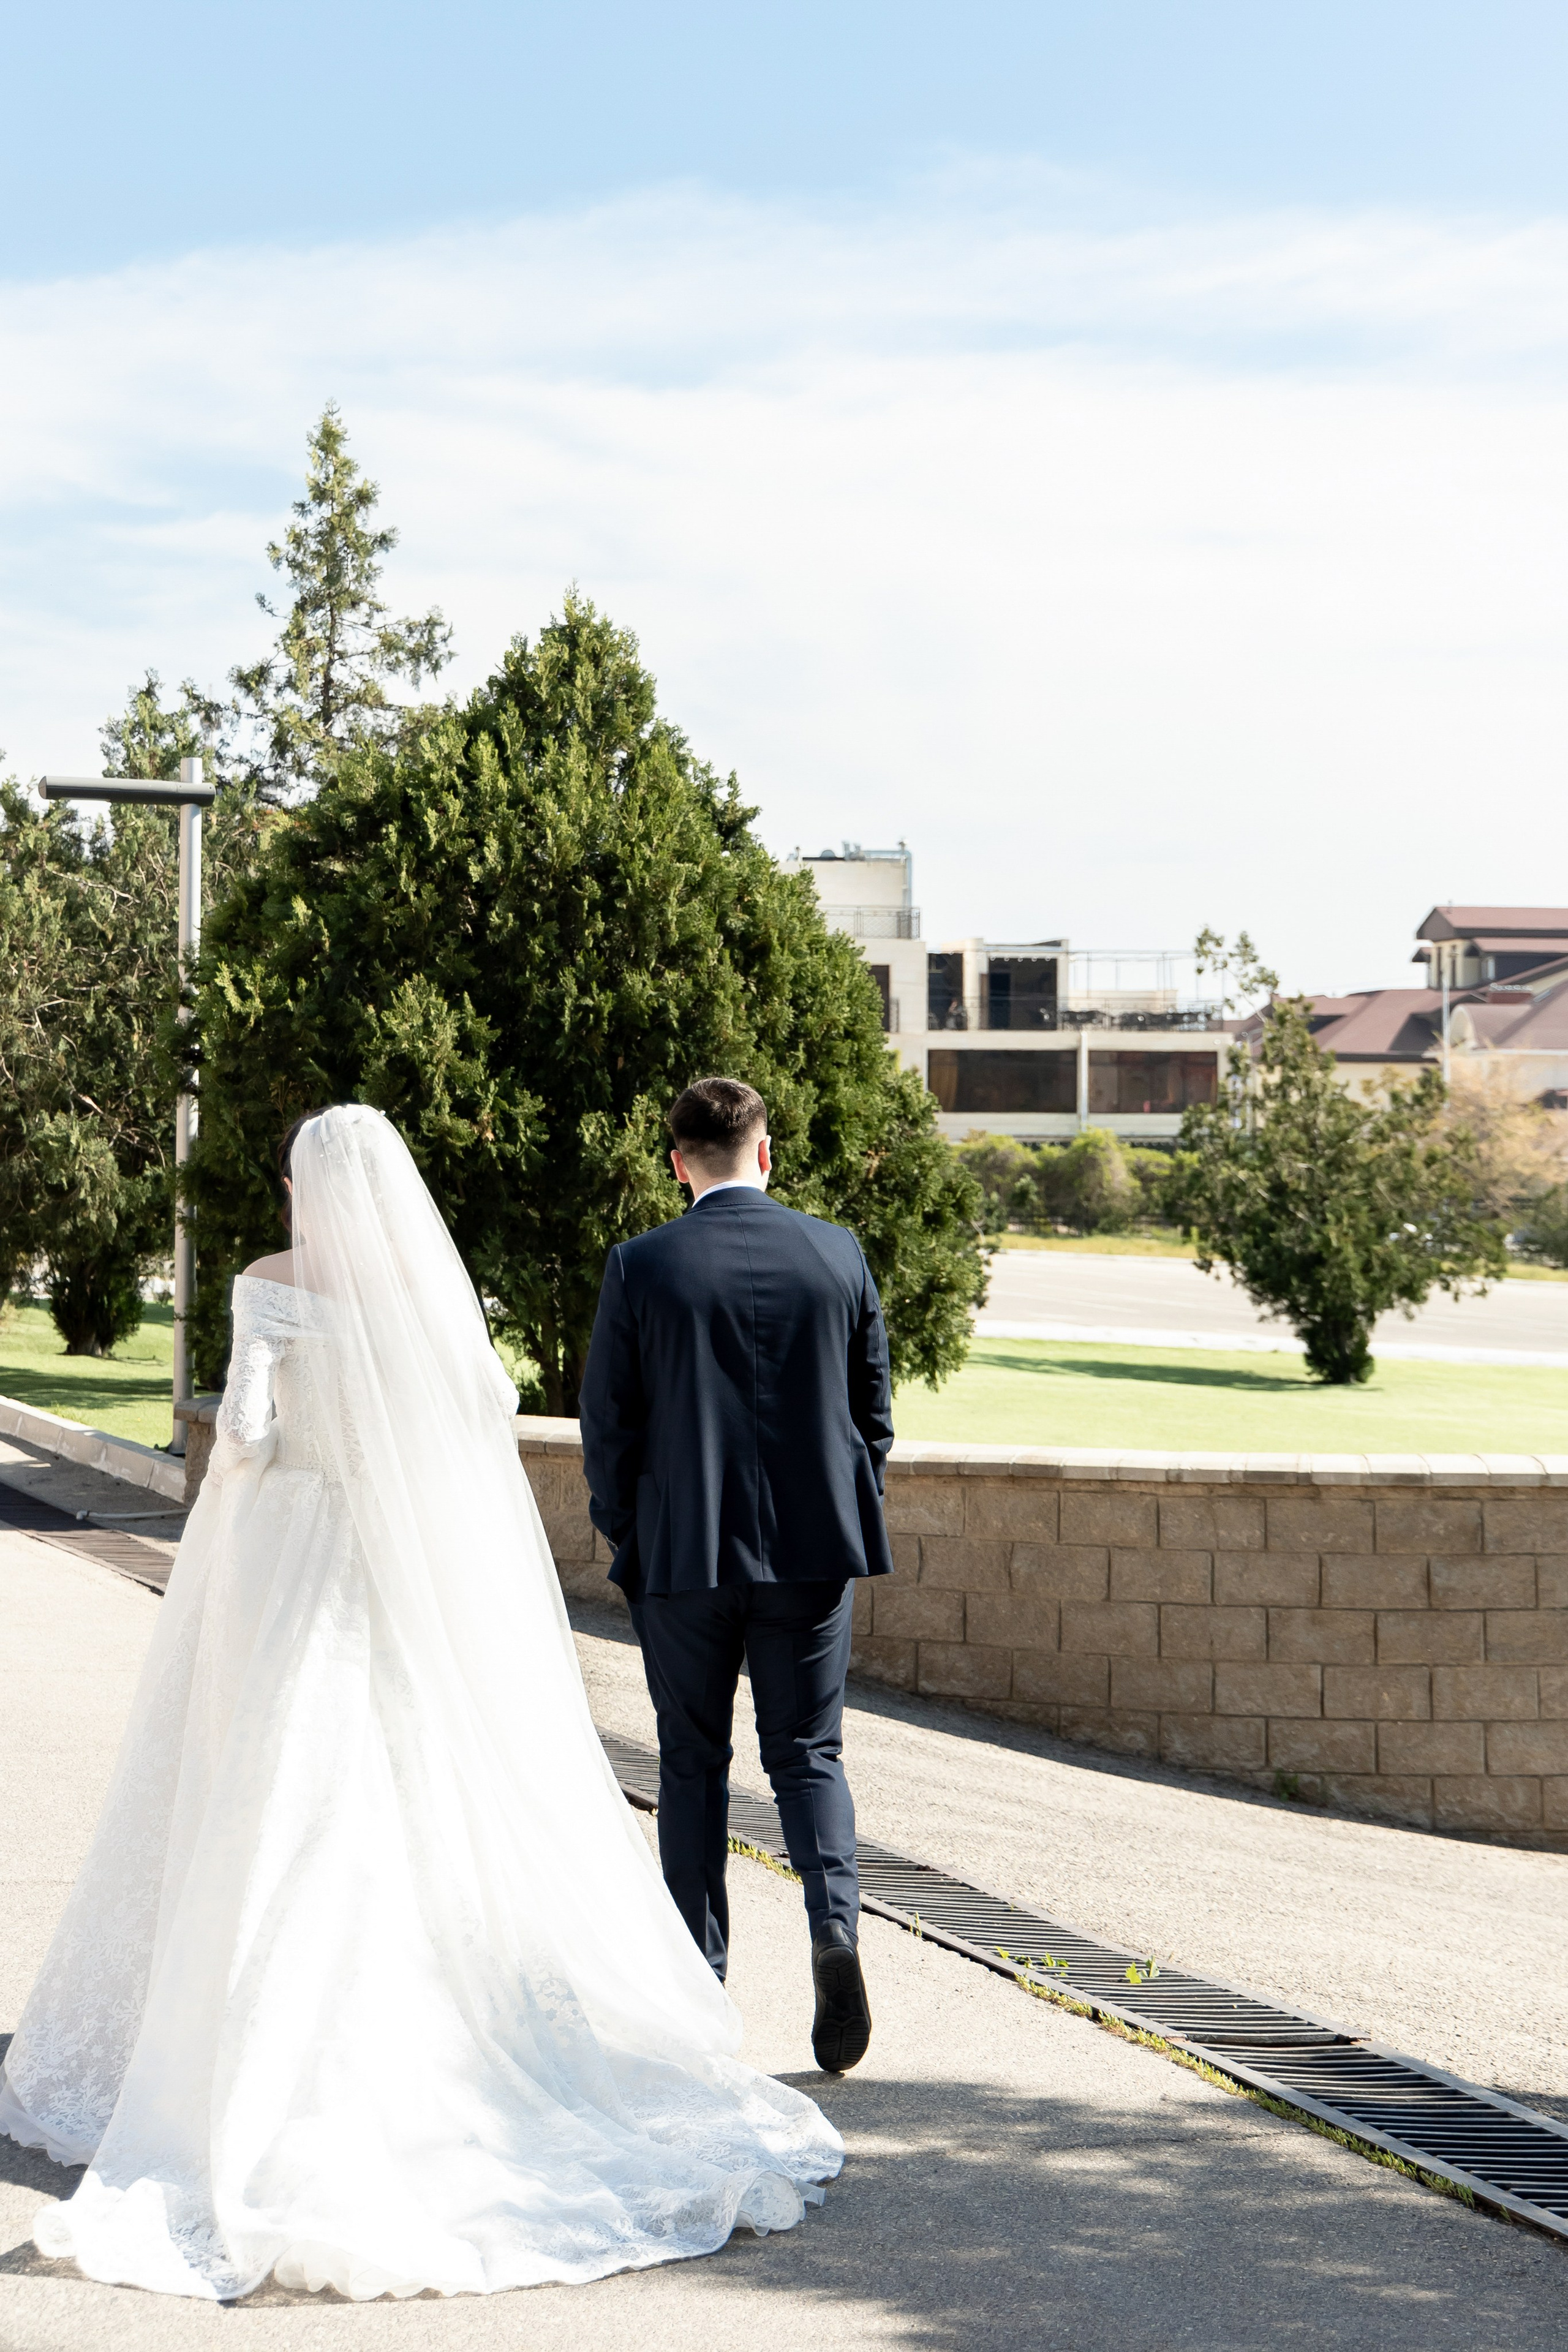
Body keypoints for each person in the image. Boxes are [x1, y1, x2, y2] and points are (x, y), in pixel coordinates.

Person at [0, 1104, 842, 2302]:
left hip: (294, 1548)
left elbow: (241, 1432)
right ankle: (442, 2044)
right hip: (393, 1566)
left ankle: (255, 2052)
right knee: (402, 1785)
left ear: (305, 1184)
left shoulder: (269, 1282)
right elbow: (482, 1410)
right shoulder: (428, 1294)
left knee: (279, 1783)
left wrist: (261, 1472)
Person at [579, 1077, 894, 2076]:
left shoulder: (640, 1266)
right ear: (766, 1151)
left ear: (678, 1161)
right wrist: (836, 1508)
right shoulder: (837, 1253)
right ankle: (835, 1931)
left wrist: (632, 1535)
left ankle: (698, 1990)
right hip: (809, 1553)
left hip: (682, 1558)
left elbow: (608, 1429)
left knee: (691, 1765)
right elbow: (872, 1415)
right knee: (809, 1755)